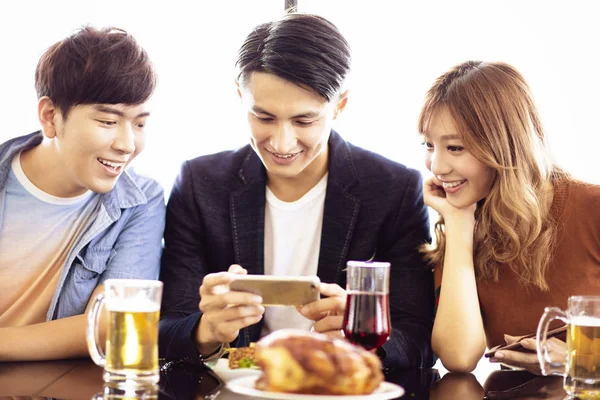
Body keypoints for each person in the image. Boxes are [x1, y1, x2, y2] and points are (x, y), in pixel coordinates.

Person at [159, 12, 435, 368]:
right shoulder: (200, 183)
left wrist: (365, 341)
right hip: (240, 381)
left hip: (338, 386)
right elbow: (167, 329)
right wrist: (206, 332)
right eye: (264, 117)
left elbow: (418, 339)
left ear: (340, 106)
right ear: (240, 95)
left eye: (304, 120)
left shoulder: (393, 189)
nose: (282, 142)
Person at [420, 60, 600, 373]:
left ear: (504, 146)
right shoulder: (462, 228)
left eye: (455, 147)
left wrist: (578, 359)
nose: (436, 166)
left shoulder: (591, 208)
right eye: (429, 145)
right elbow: (459, 357)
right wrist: (460, 225)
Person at [0, 26, 165, 361]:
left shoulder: (140, 201)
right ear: (50, 116)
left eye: (140, 124)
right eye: (107, 121)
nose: (127, 144)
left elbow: (112, 323)